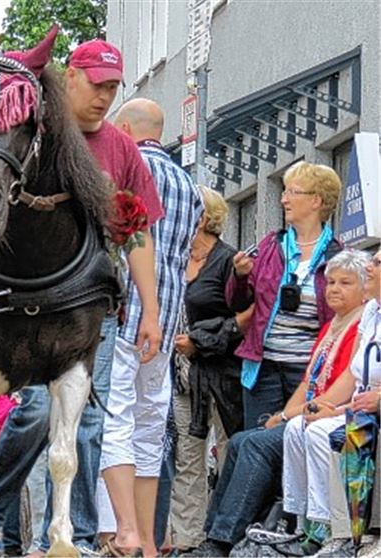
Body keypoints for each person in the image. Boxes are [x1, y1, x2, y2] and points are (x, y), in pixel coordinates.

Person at [0, 39, 166, 558]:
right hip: (27, 304)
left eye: (113, 88)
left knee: (88, 421)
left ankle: (72, 535)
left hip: (90, 304)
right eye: (95, 83)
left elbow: (137, 231)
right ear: (69, 77)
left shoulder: (122, 148)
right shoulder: (34, 135)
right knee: (34, 411)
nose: (103, 96)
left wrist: (151, 308)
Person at [188, 250, 370, 557]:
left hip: (334, 415)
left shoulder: (361, 325)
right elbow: (307, 383)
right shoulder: (333, 325)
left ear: (364, 288)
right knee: (240, 440)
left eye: (345, 283)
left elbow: (340, 389)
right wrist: (283, 414)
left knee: (258, 445)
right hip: (307, 412)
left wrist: (287, 416)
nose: (334, 289)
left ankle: (222, 541)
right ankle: (213, 535)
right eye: (331, 282)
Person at [94, 98, 202, 557]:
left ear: (122, 128)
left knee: (112, 420)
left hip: (126, 314)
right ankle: (149, 541)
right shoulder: (189, 185)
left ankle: (115, 533)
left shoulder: (128, 171)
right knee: (150, 427)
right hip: (166, 319)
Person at [228, 162, 346, 430]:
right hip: (265, 366)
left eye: (293, 192)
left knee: (298, 444)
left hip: (309, 370)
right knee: (258, 445)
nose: (284, 199)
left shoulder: (338, 256)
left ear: (316, 200)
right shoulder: (271, 245)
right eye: (284, 192)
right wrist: (240, 276)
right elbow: (237, 303)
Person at [280, 247, 381, 555]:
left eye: (377, 263)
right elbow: (354, 374)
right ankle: (304, 525)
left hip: (372, 408)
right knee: (297, 426)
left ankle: (338, 532)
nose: (371, 268)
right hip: (359, 405)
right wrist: (332, 408)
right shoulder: (373, 312)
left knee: (322, 432)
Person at [166, 186, 249, 553]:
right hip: (182, 376)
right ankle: (188, 538)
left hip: (222, 374)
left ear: (200, 218)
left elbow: (247, 317)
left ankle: (225, 534)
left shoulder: (229, 261)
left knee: (229, 452)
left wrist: (200, 341)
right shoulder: (174, 258)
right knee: (187, 456)